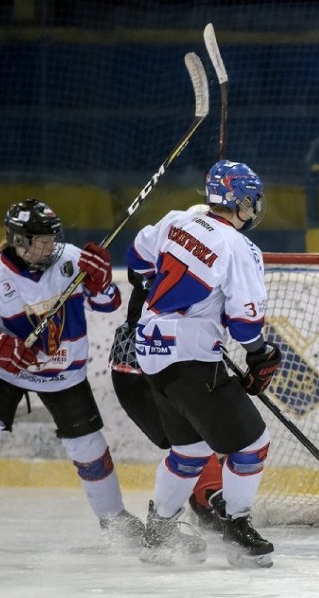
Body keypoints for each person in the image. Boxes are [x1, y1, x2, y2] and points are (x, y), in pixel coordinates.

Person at [0, 198, 143, 552]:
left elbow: (108, 304)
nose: (50, 245)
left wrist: (103, 283)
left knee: (88, 446)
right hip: (5, 372)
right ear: (18, 240)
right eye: (40, 239)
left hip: (63, 372)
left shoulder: (71, 260)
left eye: (52, 237)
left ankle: (114, 518)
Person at [127, 160, 281, 568]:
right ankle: (236, 528)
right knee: (253, 445)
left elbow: (137, 258)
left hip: (152, 351)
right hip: (191, 356)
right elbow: (246, 322)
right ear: (239, 200)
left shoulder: (175, 220)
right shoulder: (239, 246)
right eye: (251, 201)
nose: (254, 209)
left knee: (190, 450)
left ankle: (157, 533)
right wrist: (259, 354)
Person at [108, 204, 226, 534]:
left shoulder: (160, 255)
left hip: (130, 374)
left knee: (193, 442)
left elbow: (139, 262)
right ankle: (196, 505)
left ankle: (195, 504)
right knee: (198, 439)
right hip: (155, 373)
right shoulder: (201, 266)